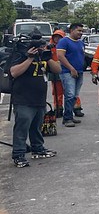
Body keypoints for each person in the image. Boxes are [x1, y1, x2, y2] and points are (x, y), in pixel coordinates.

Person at [9, 29, 61, 167]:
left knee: (36, 126)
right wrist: (29, 58)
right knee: (22, 128)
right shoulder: (20, 54)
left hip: (39, 98)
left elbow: (57, 70)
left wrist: (47, 57)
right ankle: (18, 155)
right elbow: (14, 72)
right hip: (23, 99)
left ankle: (38, 149)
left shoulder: (43, 56)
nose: (40, 48)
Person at [56, 22, 85, 127]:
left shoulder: (81, 43)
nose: (81, 33)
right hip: (67, 72)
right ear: (72, 30)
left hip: (79, 72)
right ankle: (67, 118)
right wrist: (71, 68)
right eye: (79, 30)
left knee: (74, 96)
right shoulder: (64, 42)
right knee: (70, 95)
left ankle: (69, 116)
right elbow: (60, 56)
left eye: (82, 31)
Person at [47, 29, 66, 118]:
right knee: (57, 92)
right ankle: (58, 109)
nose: (57, 39)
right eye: (56, 37)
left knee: (70, 91)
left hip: (65, 70)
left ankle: (76, 108)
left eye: (59, 37)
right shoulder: (49, 47)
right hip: (54, 72)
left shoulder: (66, 46)